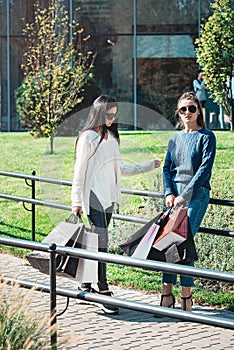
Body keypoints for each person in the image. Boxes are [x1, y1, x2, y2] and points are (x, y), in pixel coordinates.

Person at [71, 94, 161, 314]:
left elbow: (120, 169)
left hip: (109, 197)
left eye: (114, 115)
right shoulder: (87, 138)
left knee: (96, 242)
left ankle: (85, 284)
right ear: (99, 113)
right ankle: (103, 290)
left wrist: (149, 165)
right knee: (102, 243)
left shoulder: (111, 137)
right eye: (108, 115)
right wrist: (76, 201)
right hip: (92, 196)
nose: (111, 119)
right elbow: (79, 171)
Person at [161, 91, 216, 312]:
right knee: (168, 243)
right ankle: (166, 292)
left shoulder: (207, 137)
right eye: (183, 109)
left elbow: (204, 170)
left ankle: (186, 296)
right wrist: (169, 193)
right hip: (174, 197)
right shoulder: (174, 138)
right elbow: (166, 168)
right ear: (178, 111)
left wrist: (185, 195)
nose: (187, 113)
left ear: (198, 111)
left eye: (191, 108)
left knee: (183, 243)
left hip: (197, 195)